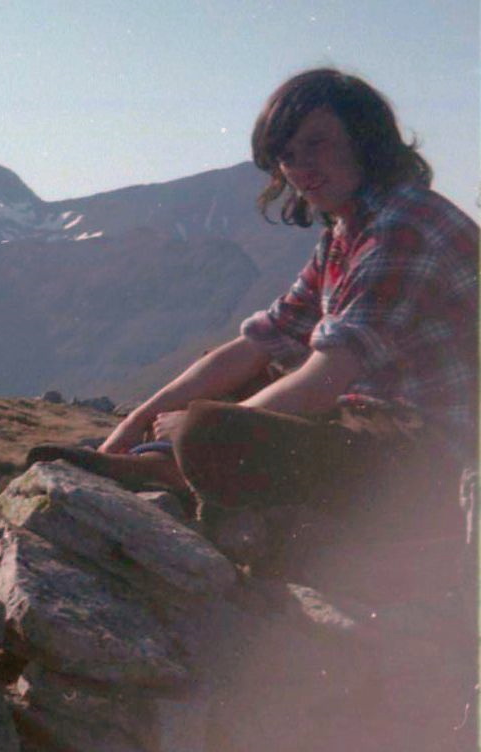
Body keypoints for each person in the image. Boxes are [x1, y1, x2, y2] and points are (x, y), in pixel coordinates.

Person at [24, 68, 477, 594]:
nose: (301, 168)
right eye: (287, 155)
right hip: (378, 427)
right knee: (232, 384)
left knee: (208, 430)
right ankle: (150, 464)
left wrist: (201, 428)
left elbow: (330, 375)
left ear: (365, 138)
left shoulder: (405, 224)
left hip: (436, 463)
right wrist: (131, 426)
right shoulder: (348, 231)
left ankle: (168, 468)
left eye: (317, 144)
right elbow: (260, 340)